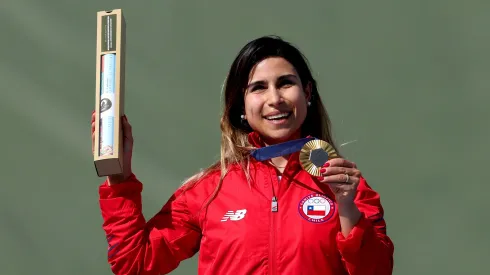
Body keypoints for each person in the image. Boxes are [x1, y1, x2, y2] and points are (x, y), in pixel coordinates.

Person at [91, 35, 394, 275]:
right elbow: (134, 263)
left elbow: (378, 271)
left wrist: (347, 210)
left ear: (308, 92)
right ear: (241, 106)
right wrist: (119, 177)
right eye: (258, 88)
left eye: (286, 83)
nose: (275, 99)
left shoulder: (347, 186)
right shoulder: (210, 191)